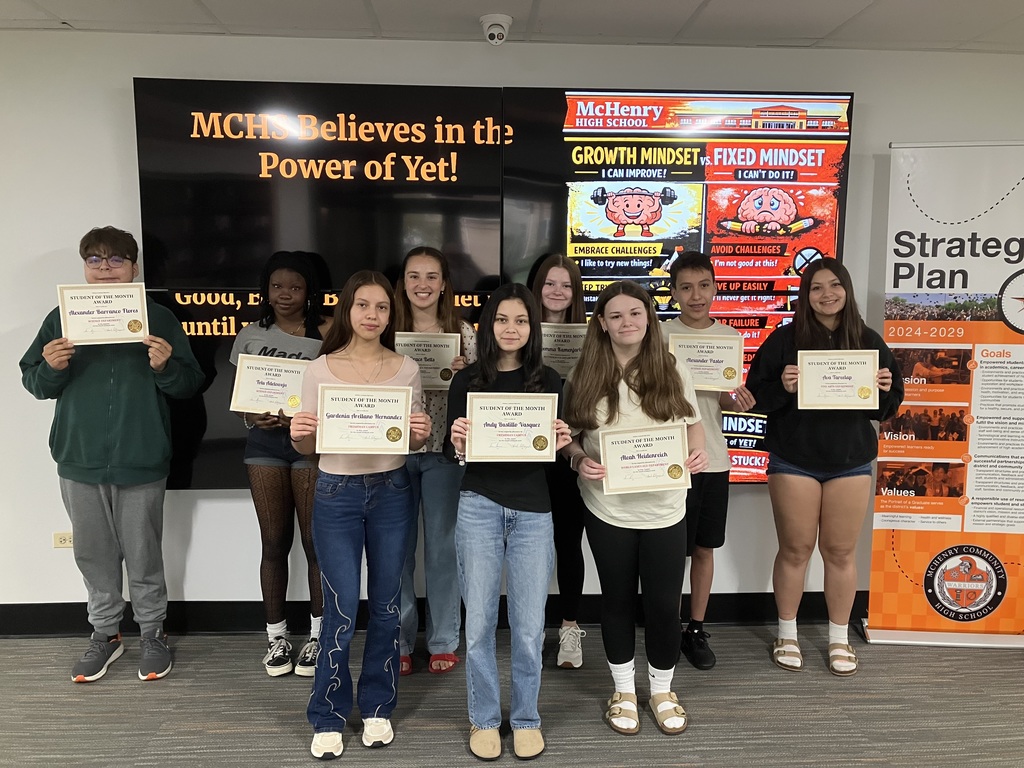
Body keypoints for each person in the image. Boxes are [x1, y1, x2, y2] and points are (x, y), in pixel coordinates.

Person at [20, 226, 204, 682]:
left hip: (142, 457)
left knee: (143, 553)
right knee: (93, 553)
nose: (104, 269)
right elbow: (35, 382)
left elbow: (188, 384)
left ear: (133, 267)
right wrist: (51, 367)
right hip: (78, 458)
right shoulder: (59, 318)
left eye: (115, 260)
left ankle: (152, 633)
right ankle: (105, 634)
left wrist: (164, 367)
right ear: (84, 268)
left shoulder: (158, 318)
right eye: (95, 260)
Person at [290, 270, 431, 760]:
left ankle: (376, 707)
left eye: (382, 308)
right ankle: (327, 714)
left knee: (389, 606)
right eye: (363, 306)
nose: (372, 316)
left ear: (391, 316)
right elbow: (308, 447)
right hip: (335, 493)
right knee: (341, 610)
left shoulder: (407, 368)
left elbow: (413, 442)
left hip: (393, 490)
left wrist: (419, 433)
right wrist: (298, 434)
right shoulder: (319, 370)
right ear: (347, 309)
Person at [561, 280, 708, 736]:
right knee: (617, 601)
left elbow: (692, 426)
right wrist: (579, 460)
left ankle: (662, 689)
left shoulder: (671, 366)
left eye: (636, 313)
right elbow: (568, 442)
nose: (627, 322)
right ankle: (623, 689)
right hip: (608, 509)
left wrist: (697, 456)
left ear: (649, 319)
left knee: (665, 605)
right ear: (601, 324)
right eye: (617, 315)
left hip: (665, 508)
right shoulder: (582, 373)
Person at [745, 257, 903, 677]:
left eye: (834, 285)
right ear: (805, 294)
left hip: (850, 461)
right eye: (816, 287)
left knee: (840, 552)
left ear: (846, 290)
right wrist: (782, 385)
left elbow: (888, 408)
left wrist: (885, 390)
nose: (826, 294)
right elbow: (754, 396)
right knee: (795, 550)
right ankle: (787, 633)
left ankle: (838, 638)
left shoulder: (867, 340)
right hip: (794, 458)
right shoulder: (784, 339)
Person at [446, 283, 571, 761]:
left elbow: (552, 459)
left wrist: (561, 440)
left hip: (533, 511)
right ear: (487, 326)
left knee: (528, 626)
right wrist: (457, 440)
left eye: (520, 320)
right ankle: (483, 718)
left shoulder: (550, 381)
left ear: (532, 327)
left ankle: (524, 718)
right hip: (478, 503)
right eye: (502, 320)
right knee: (477, 624)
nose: (511, 329)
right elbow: (452, 454)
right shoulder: (467, 381)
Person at [229, 251, 332, 677]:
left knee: (314, 544)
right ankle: (276, 639)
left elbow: (338, 391)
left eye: (294, 286)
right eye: (276, 286)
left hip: (309, 446)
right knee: (273, 542)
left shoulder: (327, 333)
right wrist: (253, 415)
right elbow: (239, 397)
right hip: (264, 445)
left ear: (310, 291)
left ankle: (317, 638)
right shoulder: (250, 333)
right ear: (265, 290)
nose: (284, 294)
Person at [662, 251, 756, 670]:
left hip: (713, 459)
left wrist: (736, 395)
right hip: (665, 460)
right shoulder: (660, 336)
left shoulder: (728, 338)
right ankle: (664, 624)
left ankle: (695, 629)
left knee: (703, 548)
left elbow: (722, 396)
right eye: (686, 287)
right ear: (674, 292)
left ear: (716, 287)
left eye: (703, 286)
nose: (695, 295)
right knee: (667, 551)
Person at [394, 246, 477, 676]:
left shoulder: (464, 334)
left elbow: (487, 393)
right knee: (397, 550)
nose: (422, 285)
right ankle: (402, 639)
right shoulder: (386, 330)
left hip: (445, 452)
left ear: (444, 283)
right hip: (396, 452)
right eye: (414, 276)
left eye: (431, 276)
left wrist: (467, 372)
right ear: (403, 282)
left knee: (444, 549)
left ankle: (444, 638)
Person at [528, 253, 590, 669]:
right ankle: (530, 629)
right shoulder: (519, 333)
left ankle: (570, 628)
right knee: (528, 549)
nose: (557, 292)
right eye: (550, 284)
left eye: (566, 285)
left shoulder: (592, 339)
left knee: (568, 544)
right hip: (526, 454)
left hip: (571, 453)